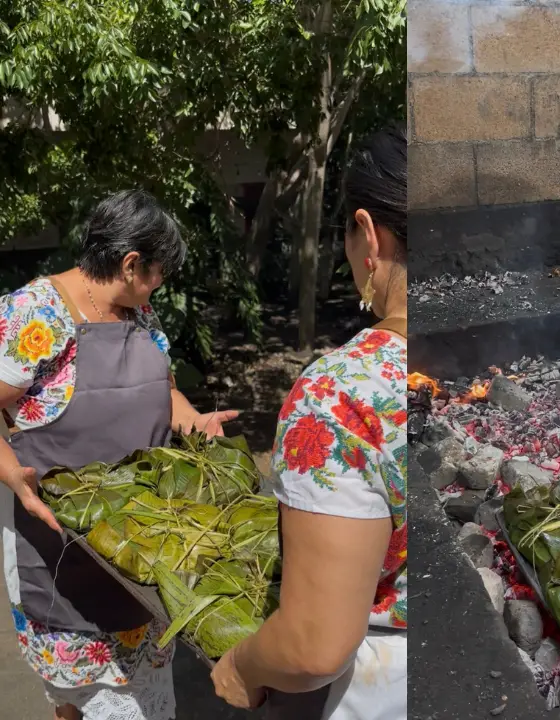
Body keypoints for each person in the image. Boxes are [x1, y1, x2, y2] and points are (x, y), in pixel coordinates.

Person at [0, 189, 239, 720]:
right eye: (156, 273)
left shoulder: (140, 314)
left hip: (144, 544)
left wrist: (194, 420)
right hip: (59, 546)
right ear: (130, 264)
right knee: (75, 697)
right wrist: (12, 473)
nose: (159, 286)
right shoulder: (34, 313)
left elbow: (164, 390)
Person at [211, 125, 408, 719]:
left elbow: (314, 647)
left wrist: (243, 665)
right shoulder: (512, 355)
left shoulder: (340, 394)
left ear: (368, 232)